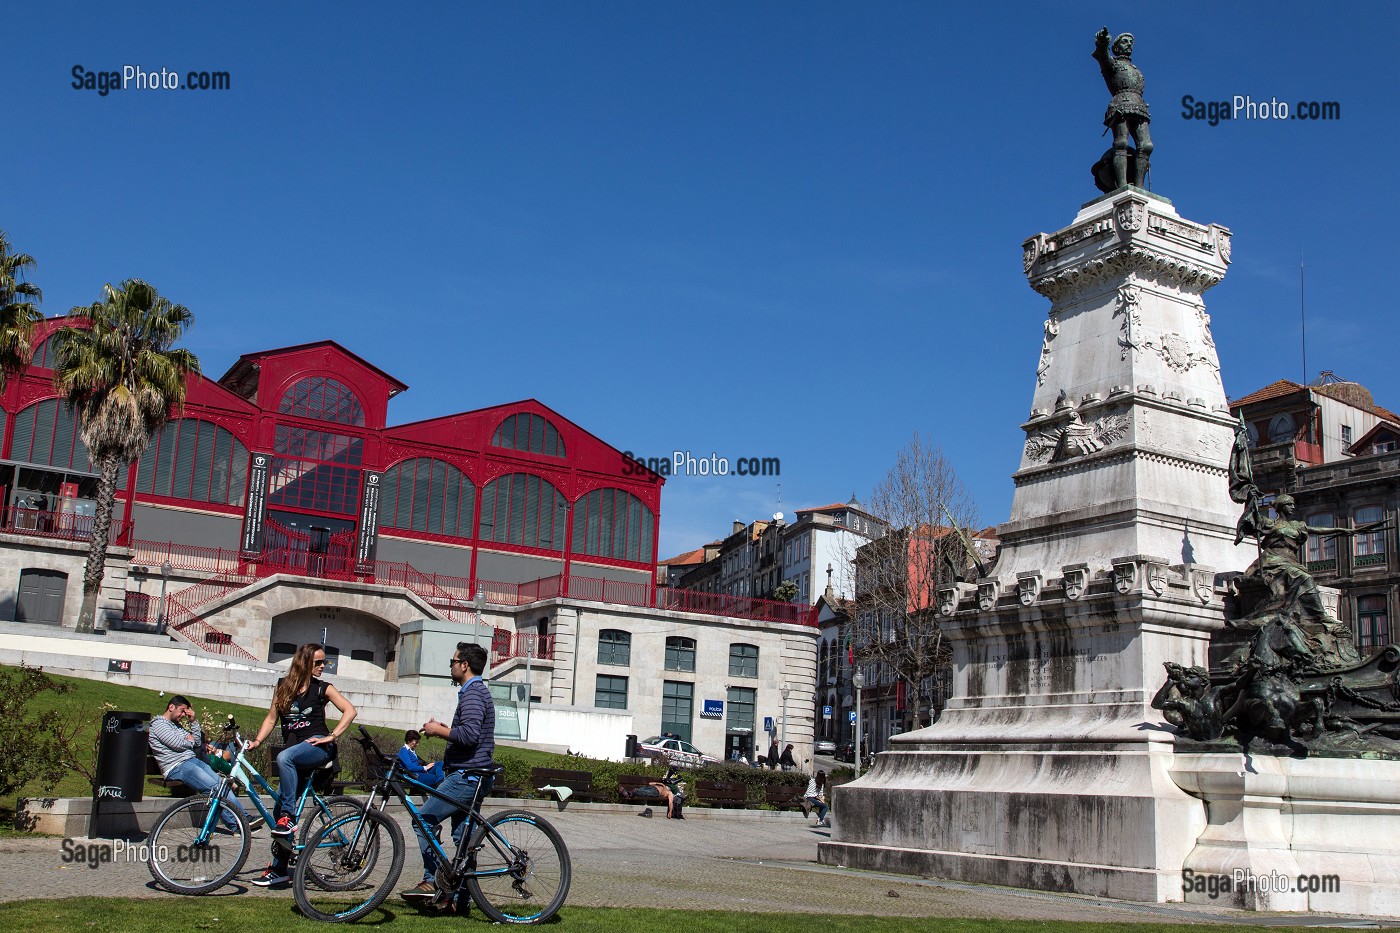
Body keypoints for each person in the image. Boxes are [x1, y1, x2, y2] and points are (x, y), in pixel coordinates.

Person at [246, 643, 357, 887]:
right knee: (277, 814)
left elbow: (350, 710)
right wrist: (256, 741)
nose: (322, 667)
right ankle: (279, 869)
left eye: (323, 662)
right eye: (318, 662)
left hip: (318, 748)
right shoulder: (283, 687)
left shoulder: (323, 689)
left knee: (285, 760)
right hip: (296, 754)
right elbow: (271, 718)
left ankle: (289, 817)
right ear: (304, 662)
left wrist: (333, 735)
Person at [400, 642, 496, 910]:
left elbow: (470, 735)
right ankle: (459, 900)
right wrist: (444, 728)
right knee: (463, 839)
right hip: (471, 775)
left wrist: (437, 730)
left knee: (423, 821)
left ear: (464, 665)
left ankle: (431, 881)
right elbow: (468, 732)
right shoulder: (475, 692)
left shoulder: (474, 693)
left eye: (453, 662)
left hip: (467, 777)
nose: (451, 666)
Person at [147, 695, 253, 831]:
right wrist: (188, 740)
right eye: (182, 711)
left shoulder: (176, 726)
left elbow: (196, 743)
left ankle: (244, 818)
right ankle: (237, 825)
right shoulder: (159, 724)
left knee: (222, 785)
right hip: (177, 767)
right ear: (171, 707)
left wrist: (193, 721)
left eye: (186, 712)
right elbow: (177, 744)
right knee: (214, 788)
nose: (183, 715)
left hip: (191, 762)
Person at [1092, 27, 1152, 190]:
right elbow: (1102, 55)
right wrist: (1102, 42)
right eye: (1125, 42)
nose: (1129, 45)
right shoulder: (1112, 65)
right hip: (1121, 105)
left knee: (1146, 146)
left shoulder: (1135, 69)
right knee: (1121, 143)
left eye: (1131, 42)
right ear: (1116, 47)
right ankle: (1123, 185)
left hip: (1139, 106)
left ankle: (1139, 187)